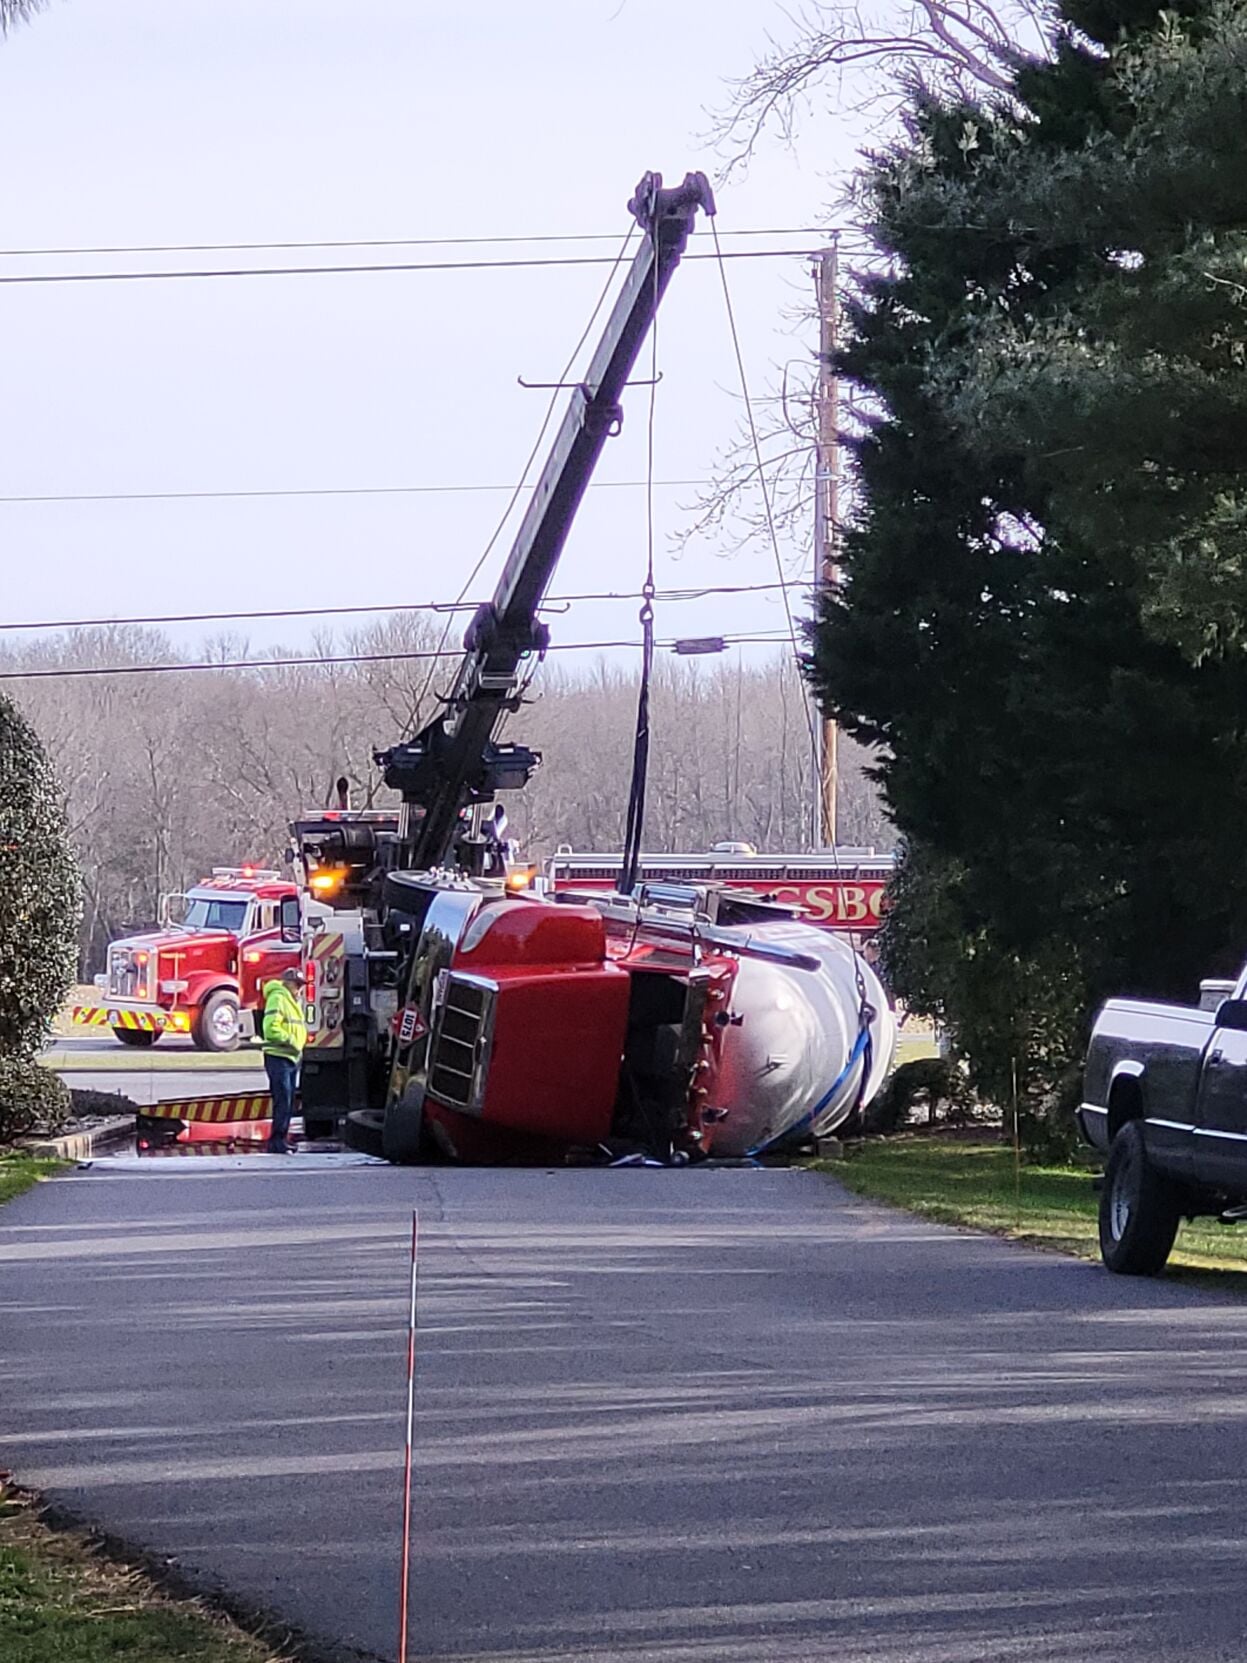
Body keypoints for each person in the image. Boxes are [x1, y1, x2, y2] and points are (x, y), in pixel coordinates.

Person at [261, 965, 306, 1154]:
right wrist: (290, 1041)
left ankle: (281, 1139)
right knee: (283, 1100)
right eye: (297, 985)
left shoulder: (290, 1000)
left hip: (289, 1056)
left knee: (287, 1101)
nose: (300, 989)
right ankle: (276, 1142)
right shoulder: (278, 998)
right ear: (289, 984)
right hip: (279, 1056)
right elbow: (271, 1029)